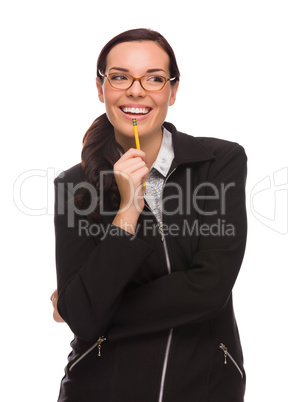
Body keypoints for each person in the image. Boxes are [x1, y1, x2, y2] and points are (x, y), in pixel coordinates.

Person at [52, 28, 248, 402]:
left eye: (154, 78)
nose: (136, 90)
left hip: (204, 386)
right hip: (99, 389)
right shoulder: (73, 186)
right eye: (120, 77)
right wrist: (127, 209)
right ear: (101, 88)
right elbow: (82, 316)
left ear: (172, 91)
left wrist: (87, 306)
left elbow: (210, 288)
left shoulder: (219, 162)